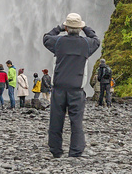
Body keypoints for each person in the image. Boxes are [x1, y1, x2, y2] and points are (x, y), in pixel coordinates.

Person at [42, 13, 100, 158]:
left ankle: (56, 150)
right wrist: (86, 27)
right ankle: (76, 151)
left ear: (66, 28)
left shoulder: (58, 42)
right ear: (80, 28)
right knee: (76, 122)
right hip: (76, 89)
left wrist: (59, 28)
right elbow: (96, 40)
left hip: (59, 88)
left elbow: (46, 38)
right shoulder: (87, 44)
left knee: (56, 120)